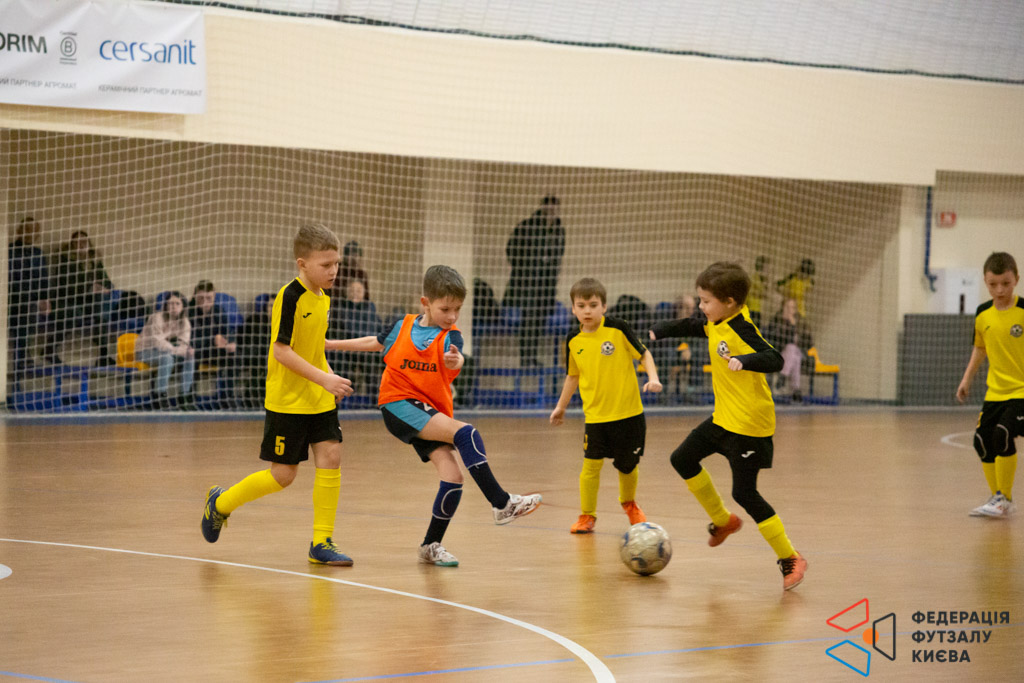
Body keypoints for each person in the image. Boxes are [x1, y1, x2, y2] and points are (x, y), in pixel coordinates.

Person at [331, 264, 542, 567]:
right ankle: (501, 503)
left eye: (457, 309)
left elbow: (456, 359)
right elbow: (374, 342)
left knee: (453, 477)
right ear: (426, 303)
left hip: (429, 411)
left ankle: (430, 545)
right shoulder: (402, 326)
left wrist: (455, 361)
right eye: (445, 309)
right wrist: (329, 344)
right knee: (467, 433)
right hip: (398, 403)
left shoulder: (451, 337)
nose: (452, 316)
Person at [201, 224, 356, 566]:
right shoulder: (290, 297)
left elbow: (313, 349)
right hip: (288, 400)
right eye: (326, 264)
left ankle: (322, 542)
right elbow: (281, 352)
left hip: (318, 397)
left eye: (336, 263)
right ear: (302, 264)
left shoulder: (324, 298)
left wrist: (329, 377)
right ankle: (220, 503)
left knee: (331, 456)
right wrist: (325, 379)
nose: (333, 271)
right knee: (283, 476)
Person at [649, 261, 808, 591]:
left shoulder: (741, 327)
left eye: (706, 301)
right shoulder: (716, 321)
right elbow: (693, 325)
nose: (700, 306)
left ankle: (790, 557)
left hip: (750, 424)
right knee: (682, 459)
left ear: (730, 302)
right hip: (724, 418)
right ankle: (723, 521)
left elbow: (775, 359)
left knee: (745, 493)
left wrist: (745, 360)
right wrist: (659, 330)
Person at [549, 278, 662, 534]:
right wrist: (561, 407)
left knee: (627, 466)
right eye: (581, 306)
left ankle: (629, 503)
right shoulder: (573, 339)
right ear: (573, 309)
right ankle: (587, 515)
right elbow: (573, 376)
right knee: (590, 466)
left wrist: (653, 377)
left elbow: (644, 353)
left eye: (593, 305)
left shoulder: (618, 328)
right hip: (596, 417)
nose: (587, 311)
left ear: (604, 307)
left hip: (629, 414)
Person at [956, 251, 1023, 518]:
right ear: (985, 281)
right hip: (996, 392)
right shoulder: (983, 313)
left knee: (1002, 434)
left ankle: (1004, 498)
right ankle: (999, 498)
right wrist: (966, 379)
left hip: (1021, 392)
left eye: (1006, 283)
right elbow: (980, 348)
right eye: (993, 284)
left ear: (1016, 279)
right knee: (982, 441)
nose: (1000, 290)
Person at [504, 195, 565, 367]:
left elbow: (558, 255)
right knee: (528, 319)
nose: (551, 210)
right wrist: (525, 267)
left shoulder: (559, 230)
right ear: (542, 207)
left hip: (546, 284)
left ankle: (532, 356)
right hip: (527, 283)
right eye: (548, 207)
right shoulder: (526, 226)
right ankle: (525, 357)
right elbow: (511, 249)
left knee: (540, 319)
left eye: (554, 207)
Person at [45, 230, 115, 366]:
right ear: (72, 245)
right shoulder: (65, 261)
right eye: (77, 242)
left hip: (89, 303)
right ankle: (50, 349)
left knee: (102, 306)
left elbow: (107, 281)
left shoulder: (94, 261)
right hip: (69, 301)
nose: (82, 244)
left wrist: (104, 288)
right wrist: (89, 288)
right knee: (75, 313)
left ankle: (103, 355)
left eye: (84, 241)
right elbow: (65, 285)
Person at [135, 291, 196, 409]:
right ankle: (160, 395)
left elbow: (184, 343)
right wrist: (176, 350)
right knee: (167, 358)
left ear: (183, 306)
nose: (173, 307)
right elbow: (158, 342)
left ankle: (184, 396)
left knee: (190, 356)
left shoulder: (185, 322)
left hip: (168, 351)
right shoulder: (157, 317)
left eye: (177, 304)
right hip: (145, 351)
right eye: (170, 303)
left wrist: (185, 350)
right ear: (166, 305)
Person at [7, 217, 52, 374]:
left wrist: (45, 299)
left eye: (34, 231)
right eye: (27, 229)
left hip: (34, 299)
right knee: (27, 311)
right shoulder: (9, 251)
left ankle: (48, 351)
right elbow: (11, 280)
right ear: (19, 231)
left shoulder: (38, 253)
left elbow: (44, 278)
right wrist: (34, 299)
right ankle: (23, 357)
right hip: (14, 299)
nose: (30, 234)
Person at [329, 279, 382, 399]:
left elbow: (377, 327)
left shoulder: (369, 307)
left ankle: (374, 399)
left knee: (372, 362)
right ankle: (342, 398)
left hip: (366, 348)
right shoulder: (340, 308)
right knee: (340, 362)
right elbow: (338, 330)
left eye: (358, 290)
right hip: (346, 348)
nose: (355, 293)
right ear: (346, 292)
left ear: (364, 292)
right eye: (352, 290)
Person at [190, 280, 239, 407]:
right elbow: (189, 340)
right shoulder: (189, 312)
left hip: (213, 352)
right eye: (201, 298)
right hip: (195, 351)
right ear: (195, 296)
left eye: (209, 298)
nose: (205, 302)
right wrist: (213, 339)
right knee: (192, 356)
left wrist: (230, 342)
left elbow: (227, 331)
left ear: (214, 297)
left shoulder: (218, 310)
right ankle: (190, 398)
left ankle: (226, 397)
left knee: (232, 355)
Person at [765, 297, 814, 402]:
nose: (790, 310)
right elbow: (776, 340)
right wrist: (790, 326)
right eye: (788, 307)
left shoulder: (800, 322)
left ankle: (783, 376)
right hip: (779, 354)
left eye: (792, 307)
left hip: (797, 354)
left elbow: (809, 342)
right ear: (783, 307)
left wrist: (795, 327)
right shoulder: (776, 321)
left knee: (793, 350)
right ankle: (796, 390)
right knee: (794, 354)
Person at [747, 255, 769, 327]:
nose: (767, 269)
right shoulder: (754, 278)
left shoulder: (761, 279)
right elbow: (761, 293)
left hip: (757, 309)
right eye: (766, 266)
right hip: (751, 309)